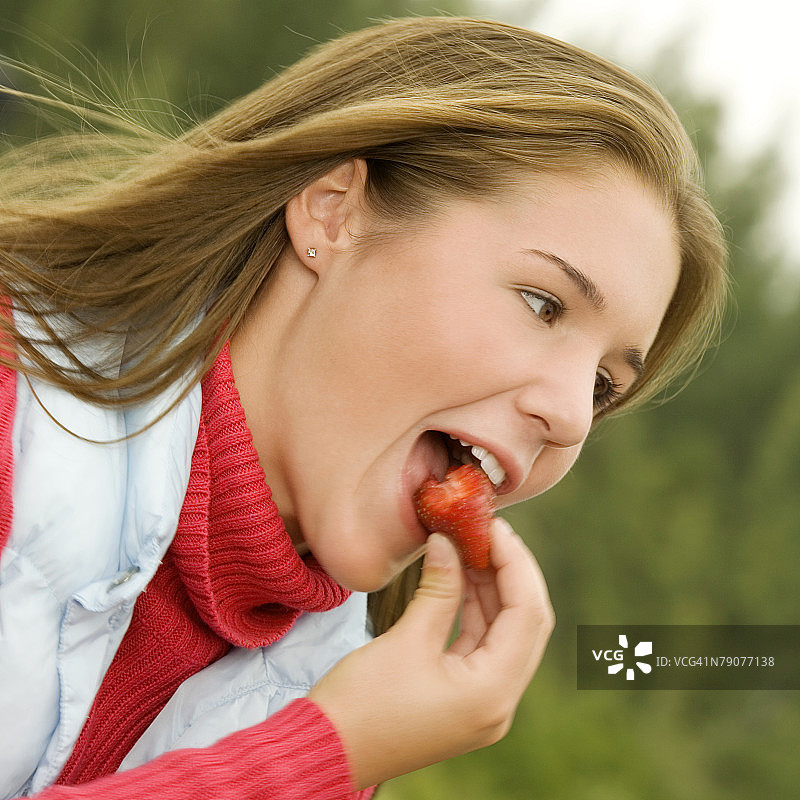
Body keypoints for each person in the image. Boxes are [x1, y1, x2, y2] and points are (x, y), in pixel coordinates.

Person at [0, 15, 727, 799]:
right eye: (542, 303)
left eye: (602, 386)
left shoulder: (350, 699)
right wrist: (317, 757)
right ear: (333, 211)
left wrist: (335, 754)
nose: (575, 420)